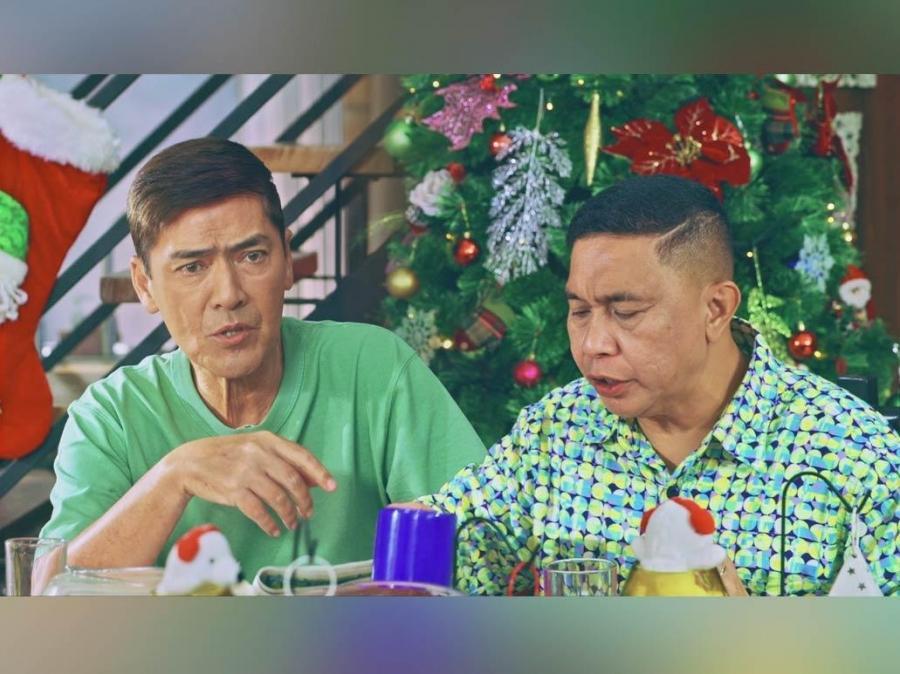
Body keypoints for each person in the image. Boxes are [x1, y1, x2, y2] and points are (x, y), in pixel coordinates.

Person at [421, 175, 898, 596]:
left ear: (715, 309)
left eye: (626, 312)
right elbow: (446, 543)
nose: (593, 344)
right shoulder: (555, 429)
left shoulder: (852, 452)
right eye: (580, 311)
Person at [40, 138, 486, 578]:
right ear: (144, 284)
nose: (229, 294)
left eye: (252, 256)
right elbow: (48, 591)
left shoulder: (374, 366)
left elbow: (485, 535)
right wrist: (174, 476)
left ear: (287, 259)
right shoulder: (110, 416)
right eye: (193, 267)